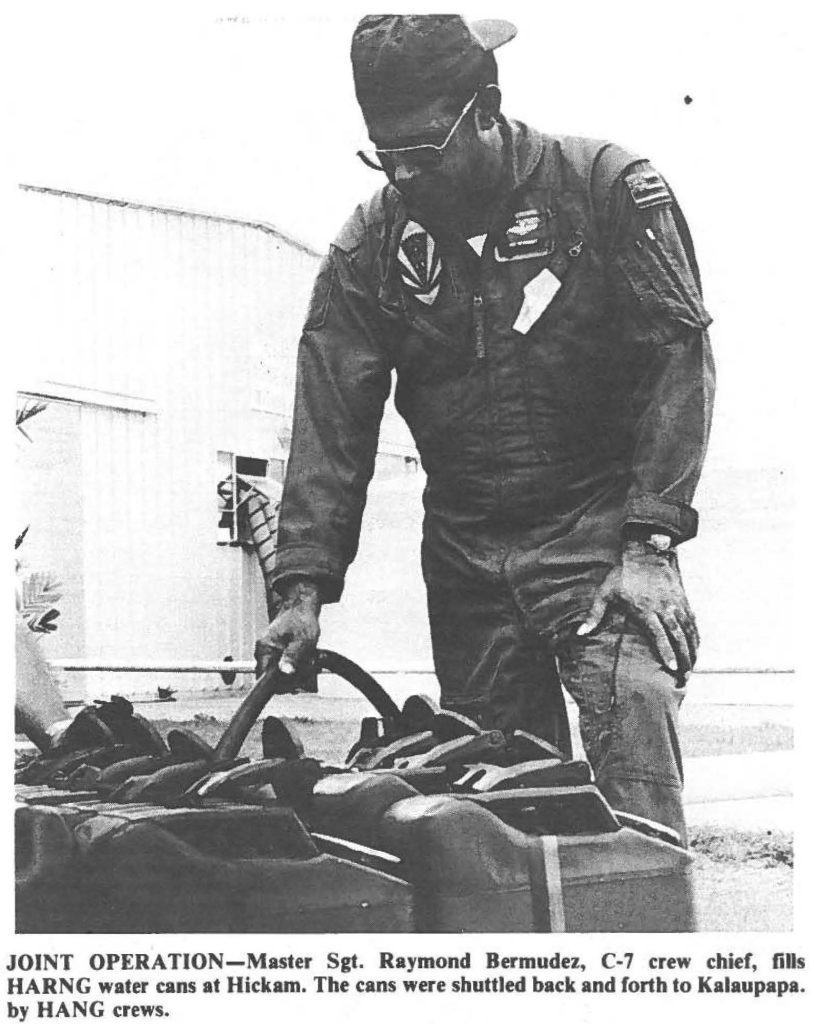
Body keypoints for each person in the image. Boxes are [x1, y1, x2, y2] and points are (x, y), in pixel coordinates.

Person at [261, 15, 714, 844]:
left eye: (423, 152)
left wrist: (650, 547)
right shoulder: (370, 248)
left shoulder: (606, 189)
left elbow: (676, 361)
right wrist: (301, 591)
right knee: (499, 801)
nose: (403, 174)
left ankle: (654, 951)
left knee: (633, 730)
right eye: (383, 154)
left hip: (596, 533)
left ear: (487, 108)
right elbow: (330, 419)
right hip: (467, 551)